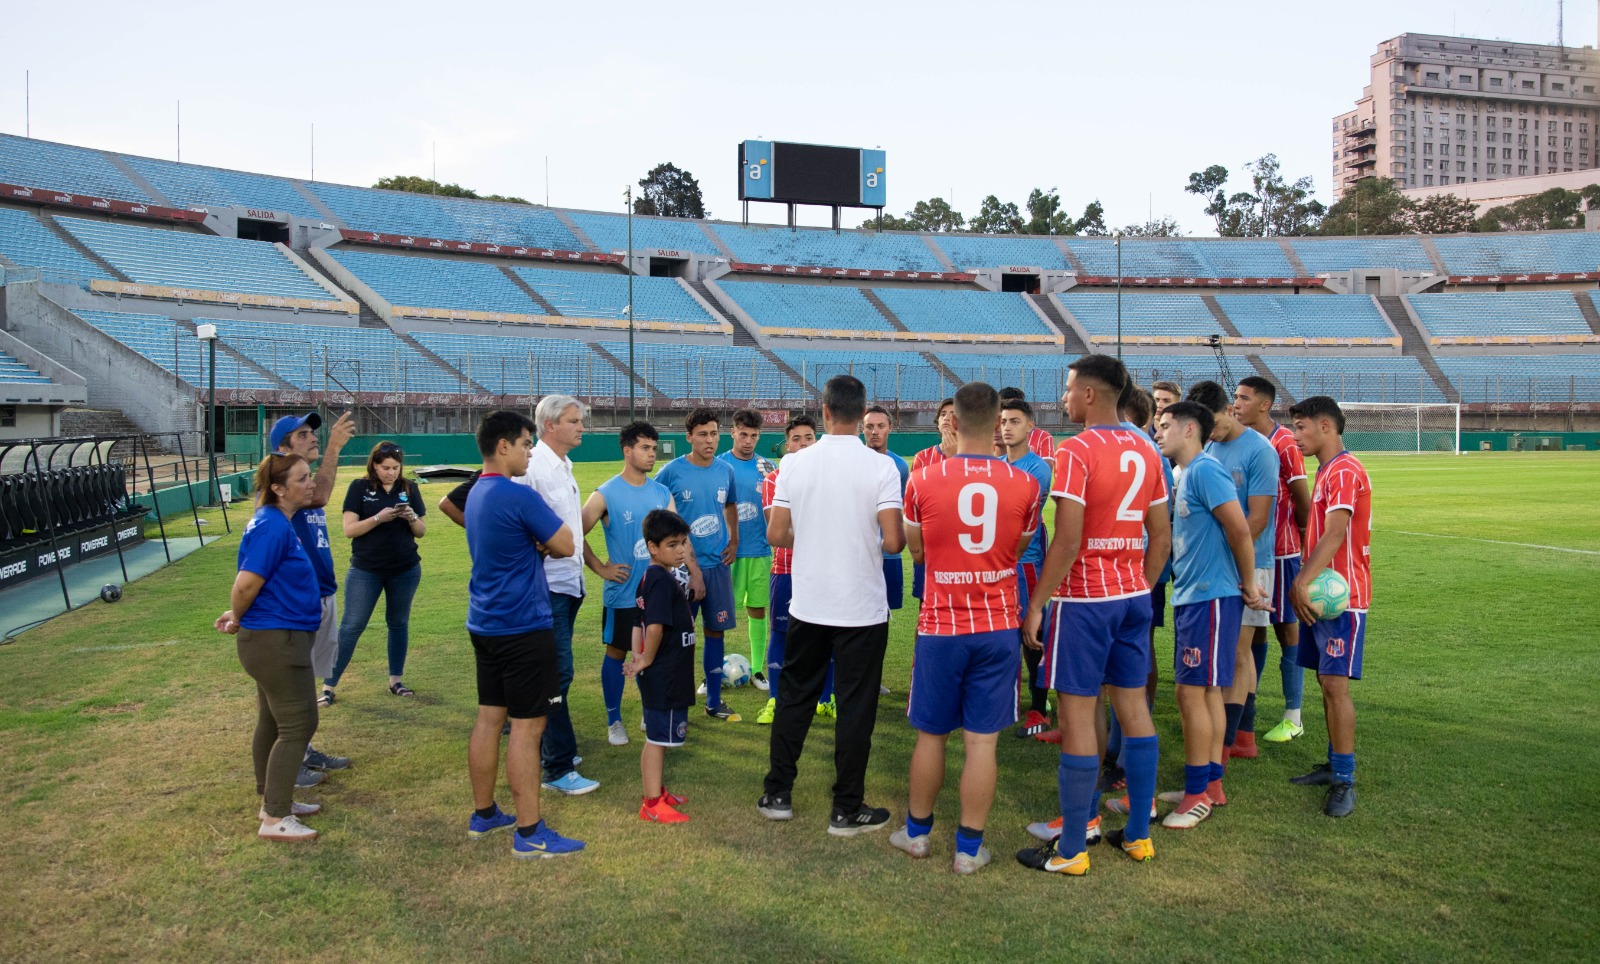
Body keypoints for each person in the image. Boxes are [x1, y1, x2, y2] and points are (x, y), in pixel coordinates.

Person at [1016, 354, 1170, 875]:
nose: (1062, 398)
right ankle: (1139, 837)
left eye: (1067, 389)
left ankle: (1073, 849)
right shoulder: (1147, 448)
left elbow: (1068, 537)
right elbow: (1162, 535)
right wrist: (1140, 588)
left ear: (1088, 394)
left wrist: (1037, 603)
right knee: (1134, 710)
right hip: (1132, 596)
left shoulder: (1076, 449)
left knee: (1078, 715)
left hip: (1085, 601)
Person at [895, 382, 1039, 875]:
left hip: (940, 625)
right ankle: (968, 849)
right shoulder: (1026, 483)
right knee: (982, 742)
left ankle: (916, 837)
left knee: (931, 736)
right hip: (998, 623)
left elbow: (916, 552)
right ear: (999, 424)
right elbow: (1018, 549)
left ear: (951, 423)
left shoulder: (921, 480)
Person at [759, 375, 905, 835]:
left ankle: (777, 792)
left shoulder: (794, 463)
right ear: (863, 416)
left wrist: (819, 535)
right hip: (861, 606)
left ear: (823, 412)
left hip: (810, 602)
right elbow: (895, 541)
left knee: (795, 697)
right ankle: (846, 808)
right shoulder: (880, 467)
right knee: (856, 705)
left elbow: (777, 534)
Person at [462, 410, 584, 857]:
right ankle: (531, 832)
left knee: (489, 719)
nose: (530, 452)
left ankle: (485, 813)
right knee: (528, 729)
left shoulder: (476, 492)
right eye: (525, 444)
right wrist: (545, 540)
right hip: (524, 626)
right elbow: (567, 542)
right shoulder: (517, 496)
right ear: (502, 447)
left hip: (486, 622)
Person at [1154, 401, 1266, 829]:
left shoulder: (1204, 471)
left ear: (1188, 429)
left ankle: (1198, 794)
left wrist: (1247, 584)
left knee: (1191, 693)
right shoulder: (1187, 475)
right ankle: (1208, 784)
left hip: (1210, 599)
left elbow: (1239, 528)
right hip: (1196, 597)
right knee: (1206, 693)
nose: (1158, 432)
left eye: (1165, 426)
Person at [216, 453, 326, 842]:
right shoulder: (272, 526)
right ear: (278, 488)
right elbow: (246, 583)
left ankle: (272, 798)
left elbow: (260, 584)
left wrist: (241, 614)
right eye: (301, 478)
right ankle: (275, 816)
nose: (309, 483)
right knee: (299, 723)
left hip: (275, 635)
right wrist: (238, 616)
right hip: (277, 640)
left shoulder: (277, 522)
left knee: (273, 720)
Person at [1287, 396, 1372, 818]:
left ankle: (1344, 779)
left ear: (1326, 426)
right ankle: (1334, 762)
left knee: (1336, 686)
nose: (1296, 436)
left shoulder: (1344, 470)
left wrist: (1301, 580)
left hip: (1343, 599)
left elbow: (1336, 533)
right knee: (1325, 680)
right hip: (1324, 595)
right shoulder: (1327, 471)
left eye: (1301, 428)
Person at [1186, 381, 1277, 765]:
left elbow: (1256, 518)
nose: (1213, 432)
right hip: (1213, 568)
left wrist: (1230, 557)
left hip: (1251, 563)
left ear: (1229, 409)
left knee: (1237, 653)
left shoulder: (1260, 450)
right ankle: (1241, 735)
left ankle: (1222, 751)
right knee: (1226, 654)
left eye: (1217, 423)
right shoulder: (1207, 446)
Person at [514, 395, 601, 796]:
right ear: (549, 425)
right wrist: (540, 547)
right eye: (573, 421)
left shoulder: (563, 465)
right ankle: (555, 765)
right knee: (555, 673)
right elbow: (515, 520)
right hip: (547, 585)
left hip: (568, 583)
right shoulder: (532, 468)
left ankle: (553, 745)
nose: (581, 426)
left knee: (558, 672)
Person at [270, 411, 356, 783]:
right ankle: (291, 762)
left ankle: (303, 751)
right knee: (294, 689)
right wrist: (336, 447)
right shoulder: (285, 485)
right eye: (301, 435)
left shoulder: (303, 480)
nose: (312, 438)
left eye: (312, 433)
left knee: (307, 683)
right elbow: (320, 496)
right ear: (282, 448)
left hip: (321, 592)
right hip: (297, 602)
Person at [1233, 376, 1313, 744]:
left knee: (1286, 630)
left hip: (1280, 553)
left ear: (1263, 405)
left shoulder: (1283, 442)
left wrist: (1298, 540)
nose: (1237, 404)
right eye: (1235, 397)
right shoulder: (1244, 439)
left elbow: (1301, 498)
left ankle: (1293, 715)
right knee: (1255, 631)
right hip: (1255, 552)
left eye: (1244, 398)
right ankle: (1247, 711)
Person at [582, 422, 672, 747]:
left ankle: (650, 711)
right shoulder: (605, 493)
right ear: (627, 450)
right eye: (645, 447)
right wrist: (600, 568)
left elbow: (676, 539)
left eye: (653, 448)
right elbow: (573, 533)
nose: (652, 454)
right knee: (618, 652)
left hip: (657, 593)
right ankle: (613, 720)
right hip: (622, 595)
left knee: (653, 652)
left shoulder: (661, 492)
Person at [323, 441, 426, 701]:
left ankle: (396, 681)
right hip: (366, 570)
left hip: (405, 569)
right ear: (374, 465)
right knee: (351, 626)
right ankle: (328, 687)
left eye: (395, 467)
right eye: (385, 467)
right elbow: (349, 530)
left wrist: (411, 517)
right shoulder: (359, 488)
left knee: (398, 623)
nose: (391, 472)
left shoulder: (409, 488)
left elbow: (421, 532)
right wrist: (379, 517)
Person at [656, 409, 742, 722]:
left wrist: (734, 541)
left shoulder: (725, 470)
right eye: (703, 434)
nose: (709, 440)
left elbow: (731, 505)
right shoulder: (671, 472)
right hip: (681, 570)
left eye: (714, 433)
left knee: (716, 632)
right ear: (689, 436)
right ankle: (676, 704)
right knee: (680, 637)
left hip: (717, 566)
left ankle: (714, 702)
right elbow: (656, 514)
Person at [624, 509, 699, 823]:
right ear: (652, 547)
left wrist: (637, 655)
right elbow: (652, 627)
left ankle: (658, 790)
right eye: (672, 544)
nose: (680, 550)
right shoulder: (657, 578)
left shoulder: (657, 576)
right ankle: (652, 804)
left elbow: (636, 622)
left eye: (682, 543)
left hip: (669, 672)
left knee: (662, 737)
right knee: (656, 739)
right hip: (664, 674)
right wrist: (646, 659)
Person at [755, 415, 817, 725]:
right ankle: (775, 699)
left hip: (822, 571)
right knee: (780, 633)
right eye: (796, 439)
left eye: (809, 438)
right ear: (786, 444)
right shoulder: (773, 479)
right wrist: (819, 537)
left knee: (827, 633)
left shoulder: (827, 476)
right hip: (787, 568)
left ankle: (826, 697)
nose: (803, 444)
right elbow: (776, 528)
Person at [999, 397, 1053, 737]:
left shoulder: (1038, 468)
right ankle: (1008, 701)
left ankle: (1039, 708)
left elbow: (1013, 516)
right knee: (1002, 635)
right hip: (999, 564)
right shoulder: (997, 464)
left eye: (1015, 421)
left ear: (1031, 426)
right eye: (1003, 421)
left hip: (1026, 563)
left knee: (1031, 635)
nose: (1006, 427)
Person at [718, 409, 777, 692]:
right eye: (743, 434)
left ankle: (756, 669)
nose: (748, 441)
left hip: (760, 551)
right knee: (719, 614)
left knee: (757, 610)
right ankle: (713, 670)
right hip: (727, 553)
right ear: (733, 432)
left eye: (754, 436)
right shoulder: (719, 465)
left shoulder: (767, 467)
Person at [863, 405, 910, 617]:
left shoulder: (899, 465)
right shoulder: (854, 461)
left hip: (888, 554)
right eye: (869, 426)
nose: (875, 431)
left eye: (880, 426)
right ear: (861, 429)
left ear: (890, 427)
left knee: (884, 615)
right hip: (859, 552)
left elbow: (900, 509)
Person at [910, 398, 957, 602]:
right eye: (943, 414)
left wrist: (954, 458)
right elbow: (916, 504)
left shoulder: (974, 456)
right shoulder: (922, 458)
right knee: (926, 610)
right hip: (929, 547)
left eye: (953, 413)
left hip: (960, 550)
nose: (947, 418)